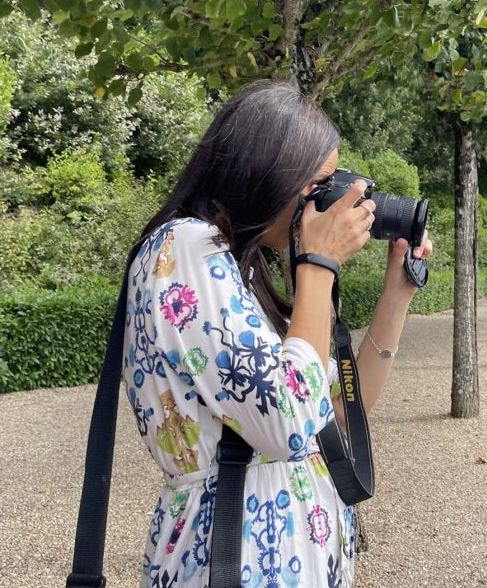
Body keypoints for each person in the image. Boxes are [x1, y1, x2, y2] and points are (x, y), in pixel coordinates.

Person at [120, 82, 433, 587]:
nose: (327, 206)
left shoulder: (234, 270)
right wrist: (317, 264)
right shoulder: (185, 248)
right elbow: (287, 424)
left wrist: (396, 296)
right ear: (265, 172)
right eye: (320, 186)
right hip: (231, 559)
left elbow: (329, 417)